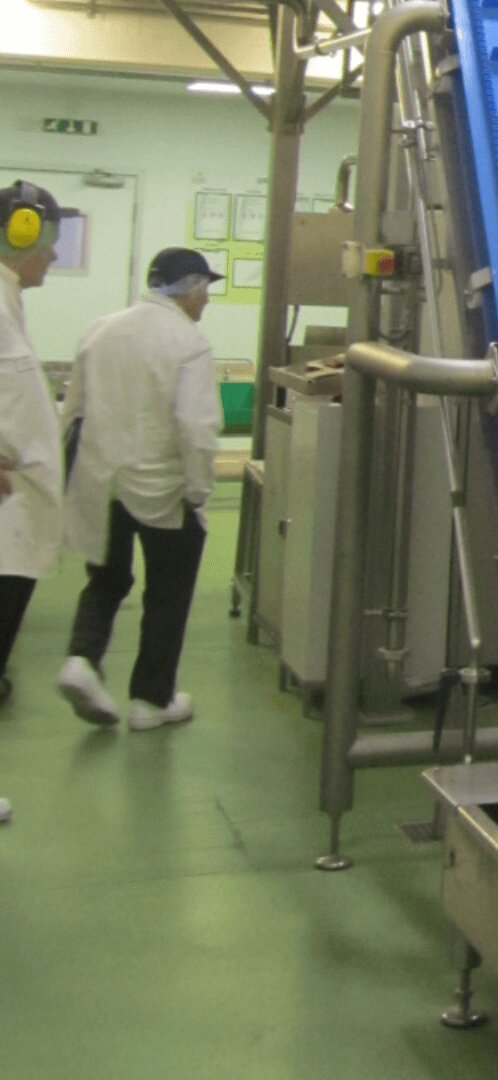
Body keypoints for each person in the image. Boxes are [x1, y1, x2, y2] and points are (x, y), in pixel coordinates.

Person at [55, 248, 223, 732]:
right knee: (168, 591)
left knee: (107, 577)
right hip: (163, 487)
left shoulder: (101, 328)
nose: (206, 299)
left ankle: (81, 660)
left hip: (101, 478)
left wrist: (76, 478)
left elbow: (75, 411)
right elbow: (196, 428)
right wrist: (197, 490)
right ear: (188, 289)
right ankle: (152, 700)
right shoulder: (188, 342)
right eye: (204, 289)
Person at [0, 180, 67, 822]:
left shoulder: (8, 300)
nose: (52, 253)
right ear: (20, 231)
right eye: (46, 238)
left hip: (15, 523)